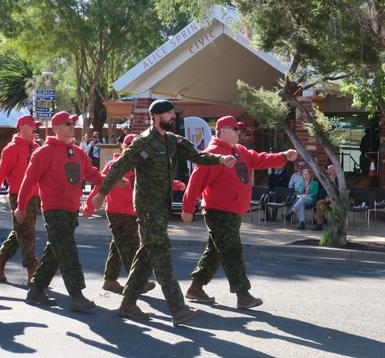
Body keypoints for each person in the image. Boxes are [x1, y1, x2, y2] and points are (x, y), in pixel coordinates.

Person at [91, 99, 237, 326]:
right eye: (169, 114)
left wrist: (220, 159)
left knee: (146, 254)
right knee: (161, 253)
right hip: (148, 207)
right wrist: (101, 193)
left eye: (173, 114)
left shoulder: (173, 140)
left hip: (160, 206)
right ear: (156, 117)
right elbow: (121, 166)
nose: (173, 117)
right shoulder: (143, 142)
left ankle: (128, 304)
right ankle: (178, 309)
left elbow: (197, 155)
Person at [182, 115, 297, 309]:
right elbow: (195, 183)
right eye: (235, 129)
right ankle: (243, 295)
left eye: (239, 129)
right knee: (232, 252)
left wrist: (284, 156)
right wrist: (187, 209)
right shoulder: (213, 154)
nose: (239, 132)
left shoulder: (240, 151)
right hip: (218, 212)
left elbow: (260, 159)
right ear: (223, 131)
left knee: (216, 252)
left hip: (232, 213)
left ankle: (195, 288)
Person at [14, 111, 111, 312]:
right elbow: (28, 180)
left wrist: (113, 181)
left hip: (71, 210)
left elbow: (92, 174)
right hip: (54, 210)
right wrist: (21, 206)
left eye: (73, 123)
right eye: (67, 123)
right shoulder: (43, 152)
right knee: (67, 250)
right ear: (56, 128)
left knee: (55, 251)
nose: (71, 126)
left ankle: (36, 291)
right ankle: (77, 296)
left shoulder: (77, 152)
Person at [83, 133, 183, 294]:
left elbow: (156, 180)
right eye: (128, 144)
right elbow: (99, 185)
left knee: (118, 246)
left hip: (133, 211)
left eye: (134, 144)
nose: (131, 147)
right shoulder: (115, 165)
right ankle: (137, 283)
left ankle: (110, 280)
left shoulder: (142, 165)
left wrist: (176, 184)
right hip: (118, 212)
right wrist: (89, 206)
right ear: (123, 146)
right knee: (131, 247)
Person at [0, 115, 42, 283]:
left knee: (21, 231)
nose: (35, 129)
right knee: (27, 234)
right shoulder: (11, 149)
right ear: (22, 127)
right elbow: (0, 174)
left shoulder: (37, 147)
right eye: (33, 126)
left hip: (35, 197)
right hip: (18, 196)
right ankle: (33, 271)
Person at [313, 165, 338, 231]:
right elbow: (322, 191)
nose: (332, 171)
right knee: (319, 203)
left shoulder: (339, 179)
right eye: (330, 170)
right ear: (328, 171)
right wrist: (325, 197)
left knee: (333, 205)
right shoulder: (326, 180)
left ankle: (334, 226)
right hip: (327, 199)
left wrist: (332, 198)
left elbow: (340, 191)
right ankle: (319, 224)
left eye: (333, 170)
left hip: (336, 200)